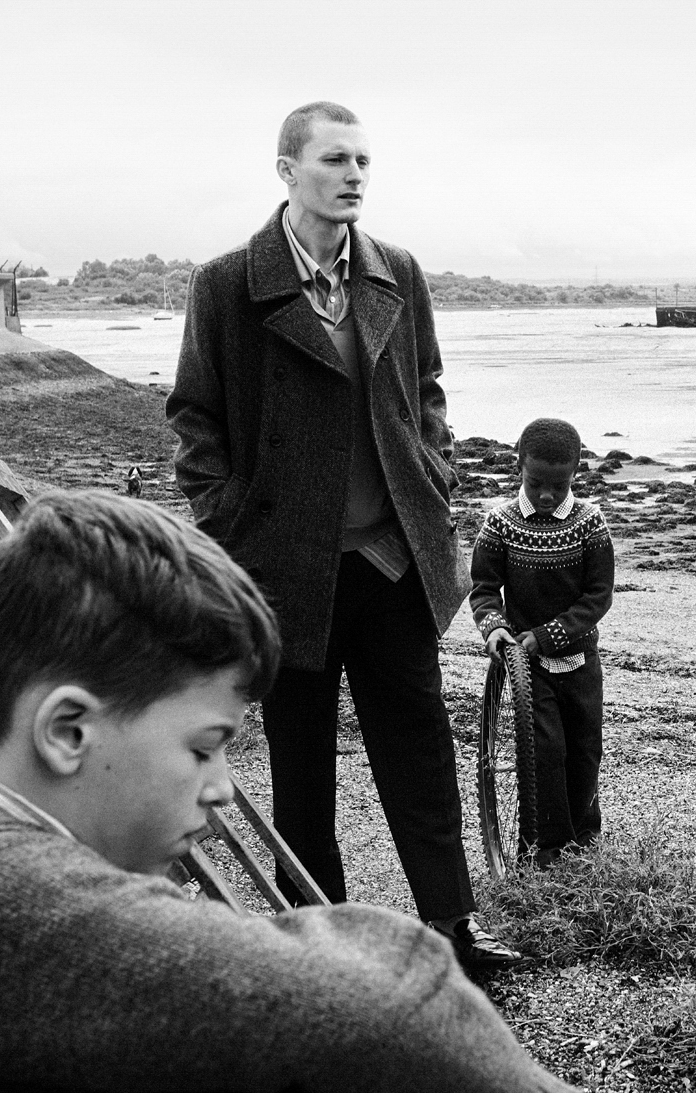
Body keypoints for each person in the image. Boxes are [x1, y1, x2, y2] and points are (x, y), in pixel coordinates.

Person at [0, 491, 599, 1093]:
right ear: (68, 731)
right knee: (340, 1077)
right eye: (204, 747)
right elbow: (381, 997)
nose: (223, 786)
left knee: (289, 1088)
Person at [167, 101, 517, 973]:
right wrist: (233, 530)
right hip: (289, 569)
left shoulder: (395, 270)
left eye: (363, 160)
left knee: (420, 752)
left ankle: (452, 926)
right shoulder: (227, 284)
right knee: (303, 768)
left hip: (392, 559)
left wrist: (431, 476)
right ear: (287, 170)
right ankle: (317, 942)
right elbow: (194, 419)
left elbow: (427, 386)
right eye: (334, 159)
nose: (354, 174)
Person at [469, 418, 615, 866]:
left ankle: (585, 844)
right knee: (545, 753)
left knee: (586, 749)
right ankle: (546, 853)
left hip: (579, 658)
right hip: (527, 665)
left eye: (558, 484)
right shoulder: (501, 524)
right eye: (536, 484)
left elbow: (598, 597)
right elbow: (484, 586)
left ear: (575, 474)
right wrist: (494, 627)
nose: (546, 495)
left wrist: (550, 635)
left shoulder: (590, 524)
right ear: (519, 469)